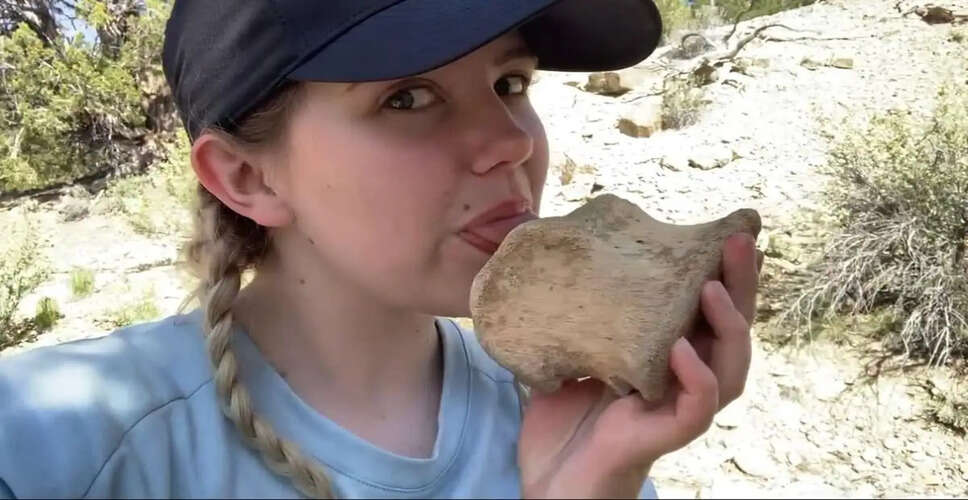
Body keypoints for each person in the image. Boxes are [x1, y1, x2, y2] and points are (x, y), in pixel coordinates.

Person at [0, 1, 763, 498]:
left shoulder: (566, 416)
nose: (509, 144)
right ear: (245, 175)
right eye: (406, 97)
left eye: (510, 83)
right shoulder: (55, 442)